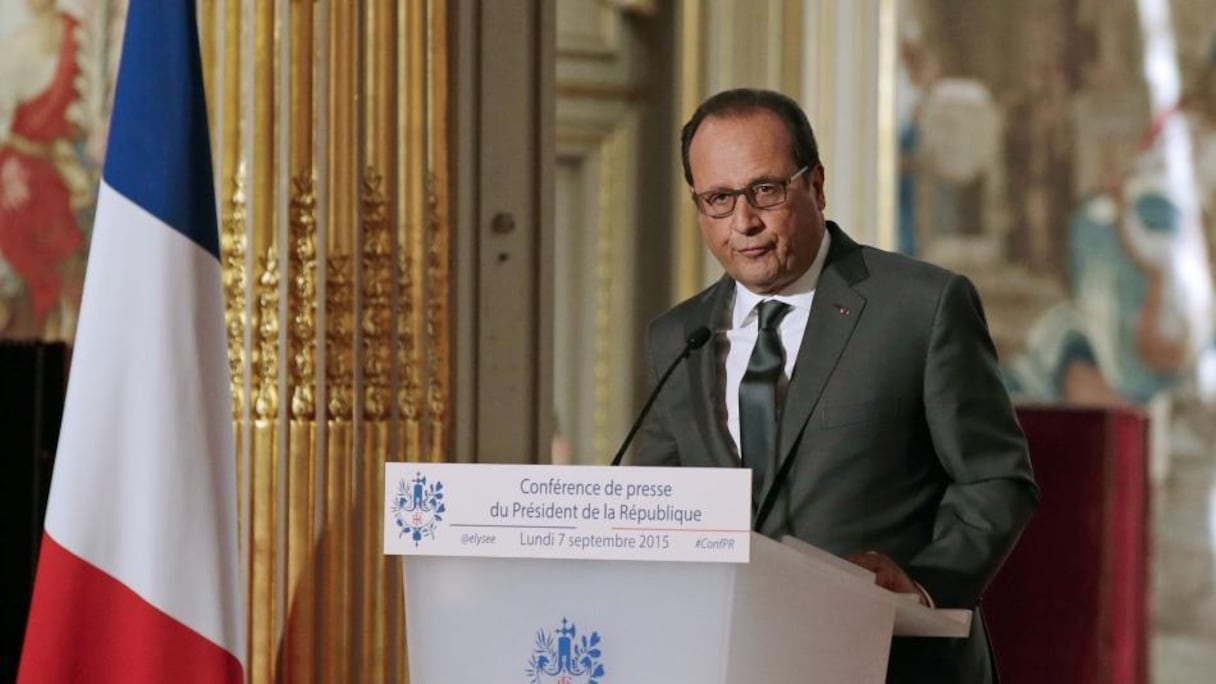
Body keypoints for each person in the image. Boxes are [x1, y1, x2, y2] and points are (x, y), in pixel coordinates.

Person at [632, 88, 1039, 683]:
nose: (742, 222)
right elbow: (661, 502)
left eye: (765, 190)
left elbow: (997, 478)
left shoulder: (920, 307)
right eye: (718, 199)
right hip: (734, 664)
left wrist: (922, 582)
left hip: (895, 664)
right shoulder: (678, 336)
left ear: (816, 185)